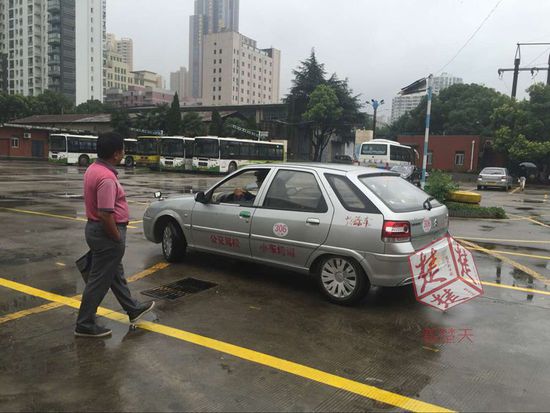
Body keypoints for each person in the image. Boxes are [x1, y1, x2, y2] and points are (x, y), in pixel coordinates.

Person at [75, 133, 155, 338]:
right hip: (107, 234)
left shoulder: (93, 168)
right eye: (122, 150)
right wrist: (116, 238)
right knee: (99, 281)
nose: (124, 153)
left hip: (96, 231)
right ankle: (84, 323)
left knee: (115, 276)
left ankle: (132, 309)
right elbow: (105, 213)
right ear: (116, 153)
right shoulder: (107, 178)